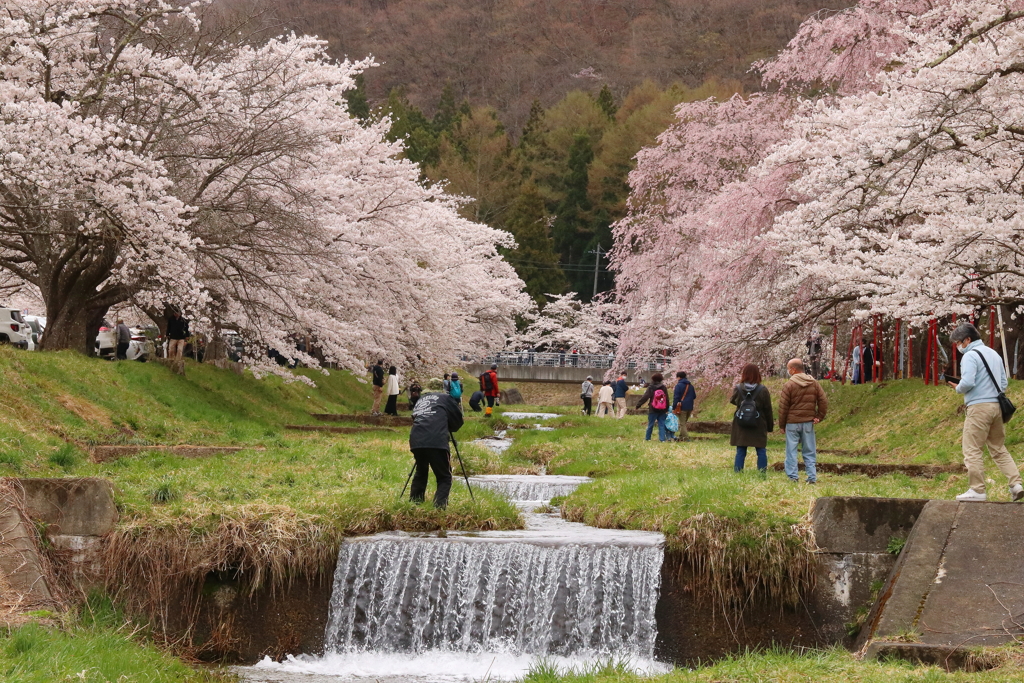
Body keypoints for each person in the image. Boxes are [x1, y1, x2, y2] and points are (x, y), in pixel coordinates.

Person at [948, 324, 1023, 502]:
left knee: (972, 449)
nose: (958, 346)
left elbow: (967, 383)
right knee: (998, 448)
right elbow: (1004, 383)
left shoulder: (970, 356)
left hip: (978, 408)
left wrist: (958, 388)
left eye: (959, 342)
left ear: (968, 340)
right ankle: (1016, 485)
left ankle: (977, 490)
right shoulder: (993, 354)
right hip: (996, 406)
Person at [409, 391, 464, 508]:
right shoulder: (446, 398)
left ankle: (415, 504)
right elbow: (458, 420)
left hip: (416, 438)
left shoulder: (421, 400)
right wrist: (448, 425)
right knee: (444, 476)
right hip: (436, 439)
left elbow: (414, 417)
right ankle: (439, 508)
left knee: (421, 472)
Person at [778, 358, 828, 483]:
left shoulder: (789, 385)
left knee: (791, 451)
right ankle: (812, 477)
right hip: (807, 422)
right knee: (809, 450)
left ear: (793, 369)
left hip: (792, 423)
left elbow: (783, 407)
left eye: (789, 368)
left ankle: (793, 477)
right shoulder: (814, 383)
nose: (788, 371)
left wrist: (782, 425)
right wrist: (819, 416)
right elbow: (823, 401)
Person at [730, 364, 774, 472]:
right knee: (761, 450)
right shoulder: (763, 390)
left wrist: (743, 404)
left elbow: (732, 400)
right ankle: (762, 473)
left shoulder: (738, 388)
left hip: (741, 422)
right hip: (758, 422)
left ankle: (738, 471)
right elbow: (768, 408)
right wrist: (769, 426)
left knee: (740, 450)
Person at [636, 372, 671, 442]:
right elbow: (666, 398)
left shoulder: (651, 387)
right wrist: (666, 408)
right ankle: (662, 439)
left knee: (650, 424)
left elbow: (645, 397)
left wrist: (638, 405)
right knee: (661, 424)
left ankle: (647, 438)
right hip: (662, 408)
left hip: (653, 408)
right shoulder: (663, 387)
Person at [672, 371, 696, 441]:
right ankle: (681, 437)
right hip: (690, 406)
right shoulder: (690, 386)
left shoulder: (678, 386)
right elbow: (694, 396)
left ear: (679, 377)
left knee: (682, 424)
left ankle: (686, 438)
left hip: (681, 407)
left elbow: (676, 398)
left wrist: (674, 407)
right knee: (684, 423)